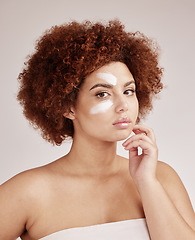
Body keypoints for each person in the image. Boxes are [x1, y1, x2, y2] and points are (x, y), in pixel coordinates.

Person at [0, 19, 195, 240]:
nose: (123, 105)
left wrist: (146, 183)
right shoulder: (28, 192)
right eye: (102, 93)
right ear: (67, 107)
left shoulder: (160, 177)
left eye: (129, 91)